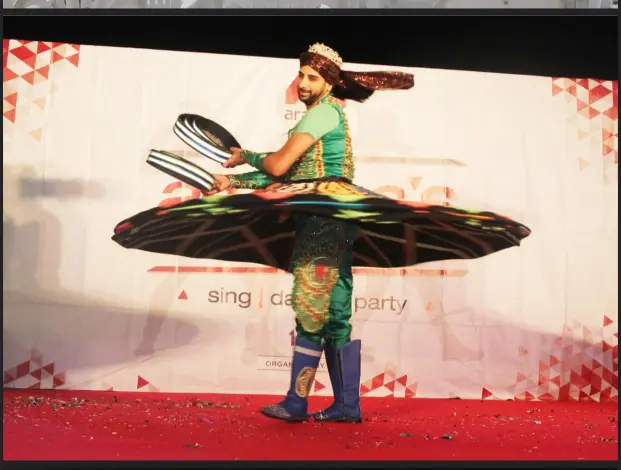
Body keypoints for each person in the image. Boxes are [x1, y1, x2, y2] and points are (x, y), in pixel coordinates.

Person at [112, 43, 531, 424]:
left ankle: (297, 403)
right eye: (301, 75)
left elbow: (278, 167)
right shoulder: (329, 114)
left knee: (310, 308)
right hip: (332, 214)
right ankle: (347, 406)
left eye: (312, 76)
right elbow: (293, 177)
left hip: (322, 221)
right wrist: (232, 181)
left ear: (329, 82)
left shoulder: (323, 112)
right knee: (336, 314)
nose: (303, 83)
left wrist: (246, 156)